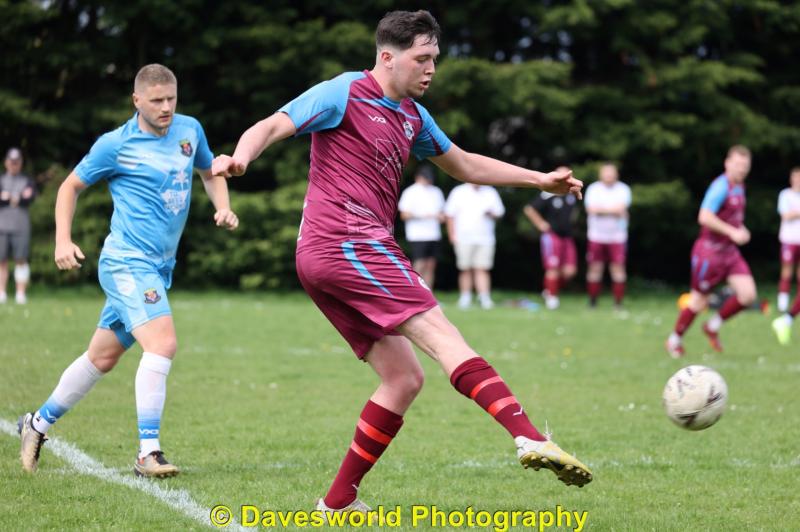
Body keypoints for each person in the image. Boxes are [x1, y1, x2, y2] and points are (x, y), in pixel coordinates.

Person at [212, 10, 591, 516]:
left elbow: (465, 165)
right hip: (346, 244)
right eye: (422, 58)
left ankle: (338, 500)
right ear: (387, 57)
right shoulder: (344, 91)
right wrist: (241, 156)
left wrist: (539, 180)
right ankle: (527, 437)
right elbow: (273, 124)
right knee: (443, 336)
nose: (431, 68)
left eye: (435, 58)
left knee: (404, 378)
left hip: (331, 255)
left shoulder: (413, 115)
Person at [17, 64, 239, 477]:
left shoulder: (190, 130)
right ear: (137, 101)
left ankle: (36, 424)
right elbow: (69, 187)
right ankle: (147, 453)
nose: (166, 107)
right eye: (156, 101)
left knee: (101, 357)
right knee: (163, 344)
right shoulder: (115, 145)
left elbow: (209, 171)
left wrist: (222, 207)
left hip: (159, 267)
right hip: (125, 262)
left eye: (171, 98)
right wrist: (62, 241)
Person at [665, 145, 755, 358]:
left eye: (745, 166)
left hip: (729, 253)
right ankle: (674, 340)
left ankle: (712, 326)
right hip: (709, 253)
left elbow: (731, 217)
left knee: (748, 295)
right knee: (699, 301)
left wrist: (740, 229)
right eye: (738, 164)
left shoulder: (739, 187)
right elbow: (704, 217)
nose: (742, 169)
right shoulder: (720, 187)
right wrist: (732, 232)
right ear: (727, 163)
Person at [524, 165, 578, 310]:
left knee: (569, 271)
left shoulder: (571, 194)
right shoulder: (548, 194)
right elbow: (529, 209)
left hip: (567, 236)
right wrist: (541, 224)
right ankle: (552, 298)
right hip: (552, 235)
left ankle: (548, 290)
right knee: (552, 268)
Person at [445, 183, 505, 309]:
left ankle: (484, 298)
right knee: (465, 268)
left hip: (485, 238)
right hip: (463, 237)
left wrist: (491, 214)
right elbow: (450, 215)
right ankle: (465, 297)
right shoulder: (458, 191)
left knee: (482, 268)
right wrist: (452, 235)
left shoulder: (490, 191)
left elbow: (499, 212)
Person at [584, 162, 631, 308]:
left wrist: (602, 210)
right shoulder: (593, 189)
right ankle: (592, 302)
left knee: (618, 269)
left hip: (617, 236)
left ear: (616, 174)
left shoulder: (623, 189)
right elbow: (591, 209)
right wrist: (613, 211)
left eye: (611, 173)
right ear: (601, 174)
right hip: (596, 236)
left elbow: (622, 208)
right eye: (606, 172)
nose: (609, 176)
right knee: (595, 268)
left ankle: (618, 303)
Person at [398, 164, 445, 289]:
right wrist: (423, 216)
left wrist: (439, 217)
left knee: (431, 264)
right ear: (418, 177)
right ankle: (416, 291)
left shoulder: (436, 191)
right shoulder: (410, 192)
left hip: (433, 234)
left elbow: (442, 213)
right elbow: (404, 215)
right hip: (417, 235)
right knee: (419, 263)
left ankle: (429, 294)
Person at [0, 147, 37, 304]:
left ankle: (20, 293)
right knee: (1, 260)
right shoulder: (1, 180)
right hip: (2, 226)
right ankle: (1, 292)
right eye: (11, 162)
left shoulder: (27, 181)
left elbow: (29, 197)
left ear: (20, 163)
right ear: (6, 162)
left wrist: (11, 198)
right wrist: (16, 198)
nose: (14, 165)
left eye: (17, 162)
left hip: (21, 226)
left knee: (21, 259)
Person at [771, 167, 800, 345]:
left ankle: (786, 318)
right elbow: (786, 215)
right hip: (789, 240)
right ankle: (783, 308)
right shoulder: (785, 195)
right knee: (787, 272)